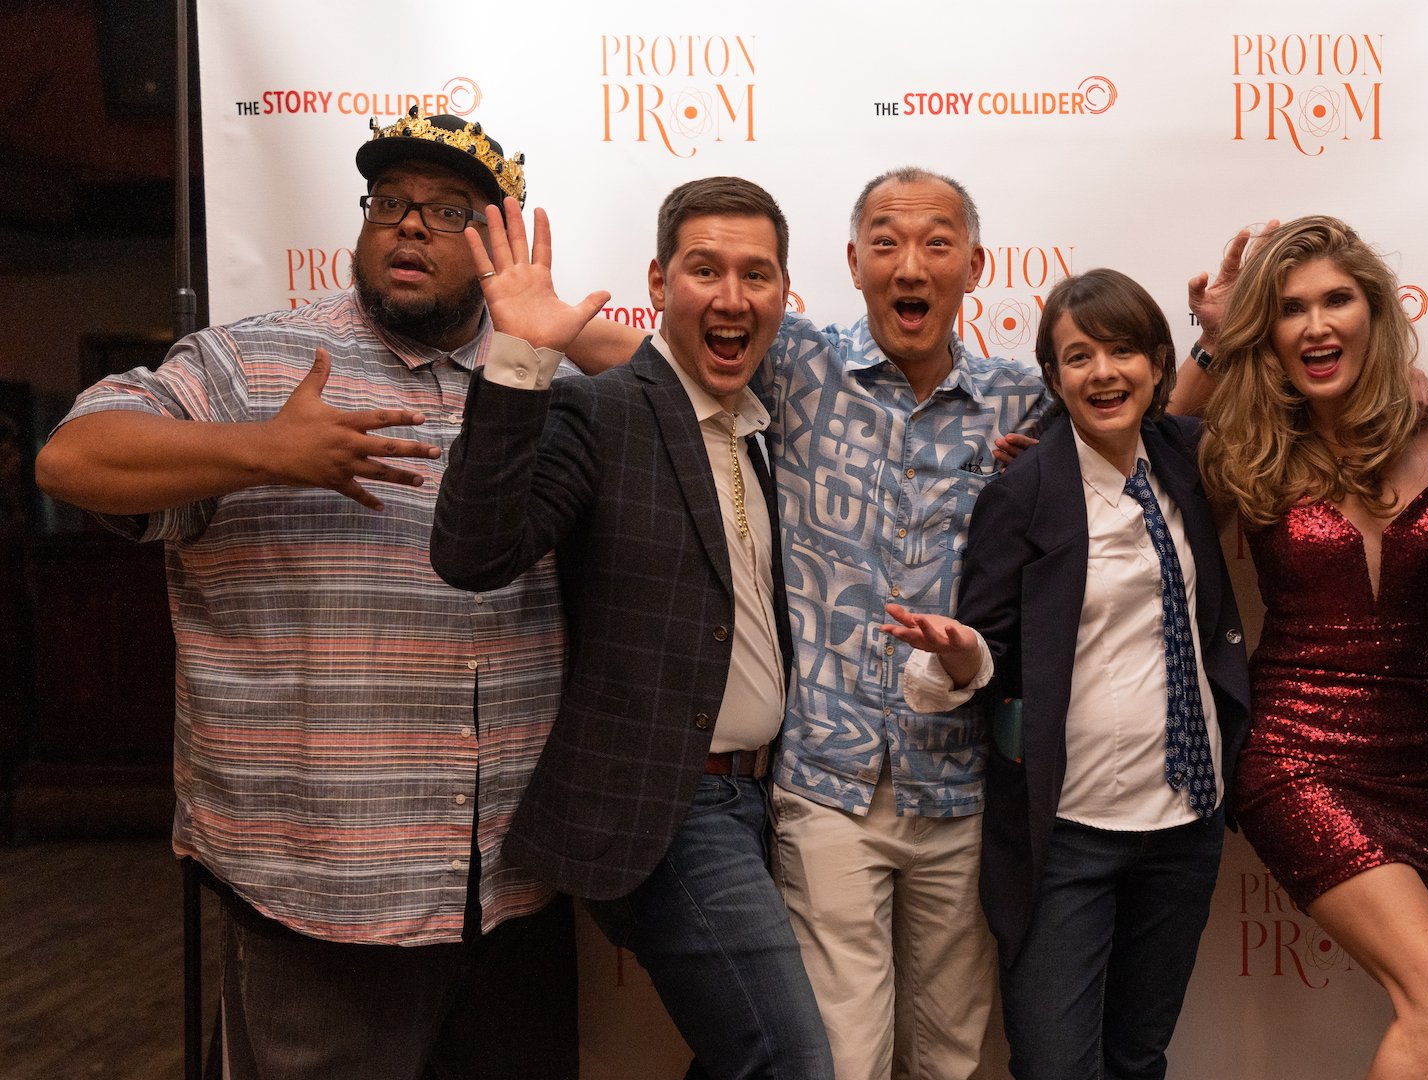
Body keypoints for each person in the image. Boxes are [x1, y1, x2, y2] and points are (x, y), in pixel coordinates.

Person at [33, 111, 579, 1079]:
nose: (410, 227)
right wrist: (265, 453)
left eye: (448, 211)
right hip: (320, 901)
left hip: (510, 896)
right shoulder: (254, 364)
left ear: (499, 242)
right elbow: (71, 457)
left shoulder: (543, 379)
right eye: (392, 204)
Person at [572, 165, 1051, 1078]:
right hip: (825, 783)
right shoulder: (796, 362)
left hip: (960, 789)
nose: (909, 264)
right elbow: (653, 362)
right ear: (852, 263)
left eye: (936, 243)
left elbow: (1141, 440)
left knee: (951, 1056)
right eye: (885, 242)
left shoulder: (1021, 402)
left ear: (975, 265)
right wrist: (528, 332)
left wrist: (1220, 354)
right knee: (839, 1058)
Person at [430, 176, 834, 1080]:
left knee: (738, 1054)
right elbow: (473, 552)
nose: (733, 297)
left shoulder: (758, 430)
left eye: (757, 275)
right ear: (658, 283)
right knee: (789, 1061)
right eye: (706, 270)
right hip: (671, 807)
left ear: (782, 294)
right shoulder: (601, 411)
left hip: (768, 802)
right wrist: (522, 362)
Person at [884, 268, 1251, 1079]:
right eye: (1078, 357)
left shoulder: (1189, 464)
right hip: (1067, 836)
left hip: (1185, 823)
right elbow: (994, 655)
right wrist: (959, 651)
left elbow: (1305, 405)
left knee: (1139, 1057)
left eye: (1122, 351)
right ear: (1054, 379)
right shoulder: (1023, 492)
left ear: (1159, 366)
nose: (1103, 372)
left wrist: (1223, 334)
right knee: (1054, 1067)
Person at [1180, 215, 1428, 1079]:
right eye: (1288, 309)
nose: (1316, 324)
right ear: (1269, 337)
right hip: (1298, 754)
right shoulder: (1246, 451)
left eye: (1336, 300)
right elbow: (1141, 476)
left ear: (1374, 312)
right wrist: (1209, 347)